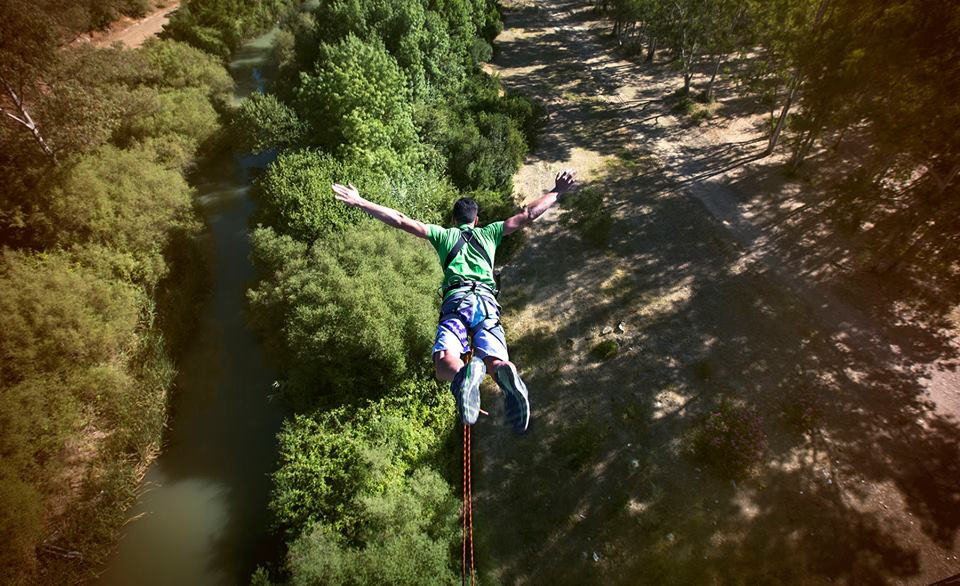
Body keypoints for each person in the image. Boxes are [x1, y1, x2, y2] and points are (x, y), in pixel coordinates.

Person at [331, 170, 577, 432]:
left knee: (444, 362)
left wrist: (361, 202)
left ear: (453, 219)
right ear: (476, 219)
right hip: (485, 303)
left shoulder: (444, 236)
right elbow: (528, 214)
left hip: (457, 303)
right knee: (494, 359)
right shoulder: (490, 233)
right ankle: (503, 369)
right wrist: (557, 191)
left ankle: (463, 376)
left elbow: (401, 220)